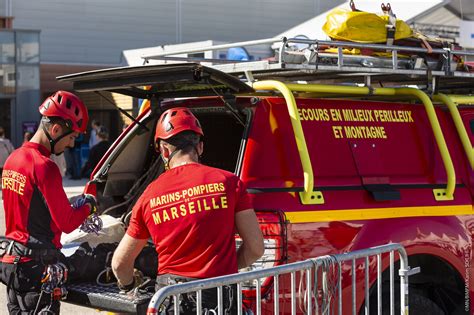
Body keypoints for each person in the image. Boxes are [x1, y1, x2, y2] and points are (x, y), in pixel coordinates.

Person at [112, 107, 264, 314]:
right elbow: (256, 248)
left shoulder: (148, 196)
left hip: (172, 301)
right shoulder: (229, 183)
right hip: (221, 299)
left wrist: (128, 287)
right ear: (200, 147)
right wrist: (226, 270)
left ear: (164, 151)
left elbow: (120, 263)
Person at [0, 91, 97, 314]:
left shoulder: (13, 159)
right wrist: (89, 205)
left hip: (14, 266)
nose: (71, 144)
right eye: (71, 137)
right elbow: (67, 222)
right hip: (37, 270)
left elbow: (33, 206)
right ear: (55, 130)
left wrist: (70, 202)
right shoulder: (45, 166)